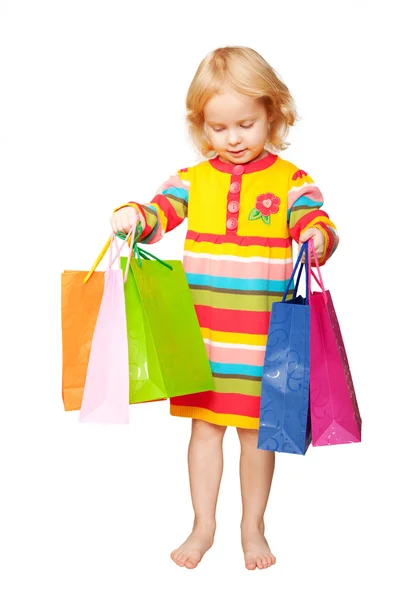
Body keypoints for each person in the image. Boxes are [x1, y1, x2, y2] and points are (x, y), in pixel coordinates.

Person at [111, 46, 339, 570]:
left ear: (272, 115)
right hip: (205, 337)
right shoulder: (192, 179)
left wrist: (316, 238)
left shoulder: (289, 180)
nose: (232, 138)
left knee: (259, 435)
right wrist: (132, 217)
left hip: (263, 338)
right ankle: (203, 523)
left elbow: (316, 220)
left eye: (245, 123)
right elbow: (158, 215)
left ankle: (252, 525)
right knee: (204, 430)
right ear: (201, 127)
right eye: (218, 128)